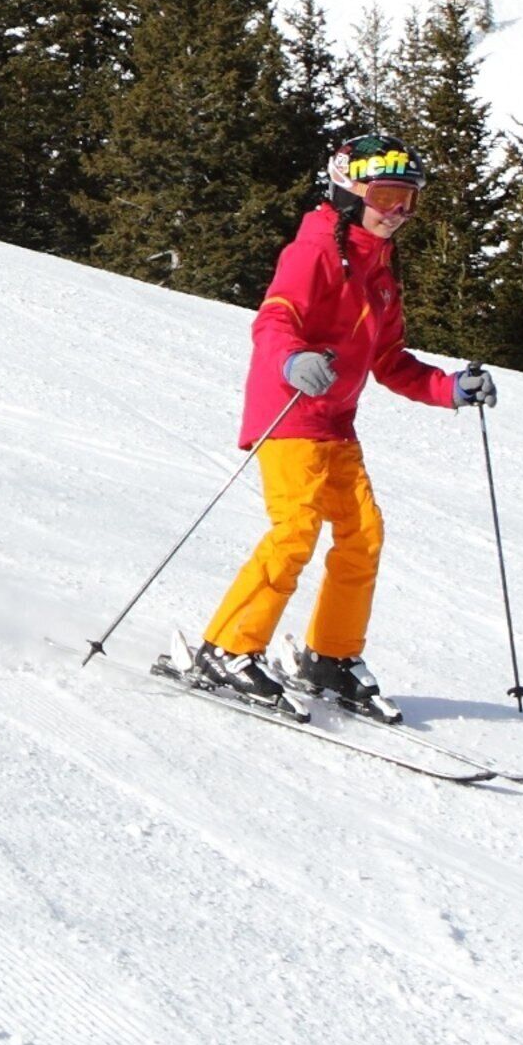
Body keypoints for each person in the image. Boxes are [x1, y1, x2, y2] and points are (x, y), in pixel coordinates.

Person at [179, 134, 496, 722]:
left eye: (409, 200)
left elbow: (392, 363)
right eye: (387, 195)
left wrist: (451, 389)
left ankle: (331, 656)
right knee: (295, 530)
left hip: (336, 424)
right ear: (350, 191)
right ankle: (227, 648)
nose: (398, 211)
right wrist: (291, 360)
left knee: (363, 536)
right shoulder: (315, 251)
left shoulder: (378, 269)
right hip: (290, 412)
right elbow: (276, 318)